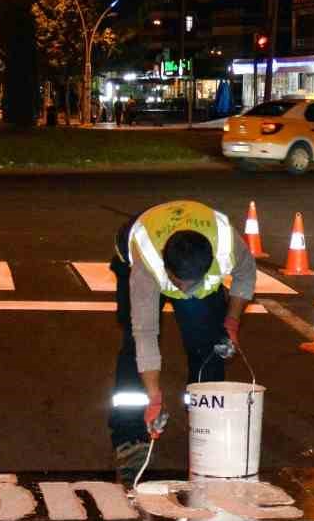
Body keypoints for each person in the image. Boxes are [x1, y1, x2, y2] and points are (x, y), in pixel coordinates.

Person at [109, 199, 257, 480]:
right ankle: (130, 440)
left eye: (193, 285)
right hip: (134, 256)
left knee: (209, 347)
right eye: (178, 284)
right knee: (133, 349)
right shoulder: (147, 265)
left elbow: (246, 275)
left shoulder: (228, 243)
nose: (185, 292)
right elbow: (146, 334)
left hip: (190, 251)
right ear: (167, 271)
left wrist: (232, 322)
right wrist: (154, 398)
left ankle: (208, 426)